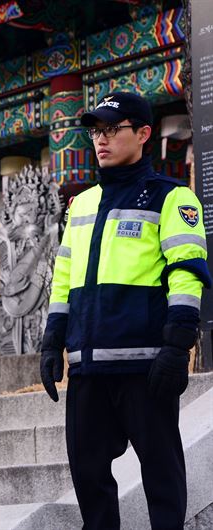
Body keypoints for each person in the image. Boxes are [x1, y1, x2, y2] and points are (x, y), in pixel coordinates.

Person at [40, 92, 210, 529]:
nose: (101, 139)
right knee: (87, 472)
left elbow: (187, 274)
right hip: (87, 367)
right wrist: (51, 341)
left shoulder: (173, 198)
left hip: (146, 364)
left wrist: (177, 344)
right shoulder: (80, 204)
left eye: (113, 129)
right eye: (97, 131)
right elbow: (63, 278)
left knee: (161, 472)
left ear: (144, 133)